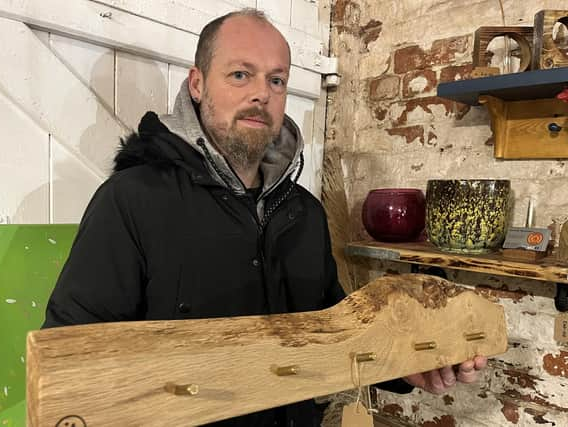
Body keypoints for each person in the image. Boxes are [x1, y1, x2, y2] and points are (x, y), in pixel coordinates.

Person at [43, 8, 487, 426]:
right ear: (197, 84)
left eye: (277, 80)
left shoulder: (305, 214)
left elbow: (336, 332)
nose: (262, 93)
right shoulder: (130, 200)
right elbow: (72, 364)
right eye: (240, 74)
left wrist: (405, 367)